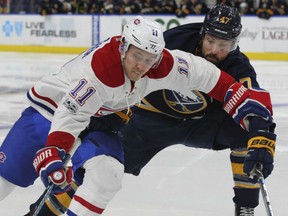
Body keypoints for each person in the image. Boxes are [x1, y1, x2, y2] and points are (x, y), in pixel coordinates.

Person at [1, 15, 272, 215]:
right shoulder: (100, 72)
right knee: (6, 178)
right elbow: (71, 114)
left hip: (103, 118)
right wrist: (56, 150)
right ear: (123, 48)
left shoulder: (161, 64)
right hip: (51, 113)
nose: (142, 66)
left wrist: (257, 123)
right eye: (137, 56)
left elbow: (211, 77)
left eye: (150, 58)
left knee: (108, 175)